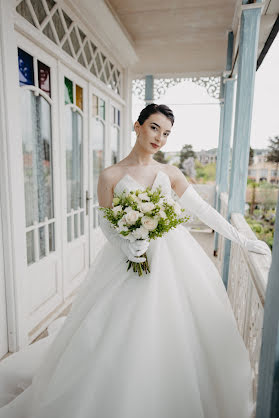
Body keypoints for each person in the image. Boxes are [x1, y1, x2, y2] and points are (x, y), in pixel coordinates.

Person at [0, 103, 271, 418]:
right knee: (114, 332)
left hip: (172, 260)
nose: (160, 138)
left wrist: (241, 239)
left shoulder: (169, 173)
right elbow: (105, 222)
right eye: (154, 127)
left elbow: (203, 211)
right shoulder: (110, 175)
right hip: (126, 259)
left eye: (167, 133)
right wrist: (125, 245)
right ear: (137, 126)